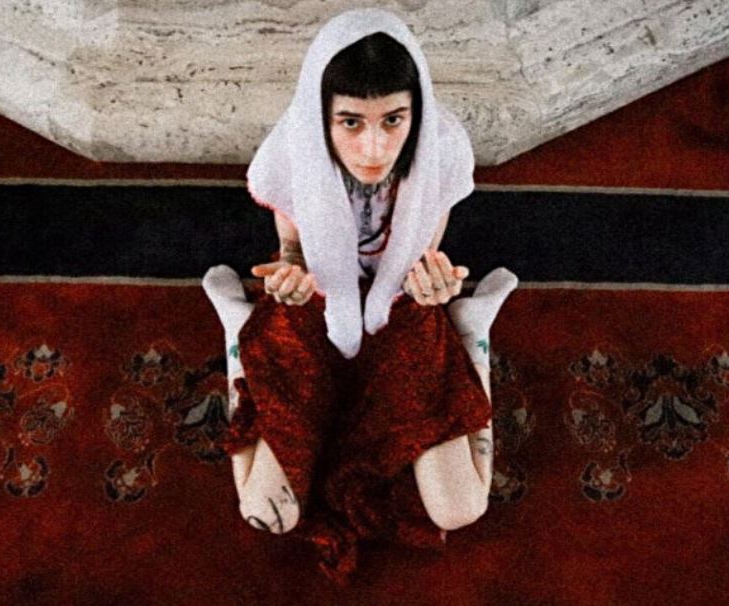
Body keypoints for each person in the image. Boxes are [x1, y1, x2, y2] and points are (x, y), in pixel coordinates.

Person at [202, 8, 518, 585]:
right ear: (322, 116)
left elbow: (422, 255)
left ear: (415, 112)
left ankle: (471, 327)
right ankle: (236, 332)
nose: (375, 146)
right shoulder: (294, 147)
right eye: (350, 122)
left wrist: (432, 286)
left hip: (399, 307)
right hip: (317, 305)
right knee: (265, 513)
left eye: (393, 120)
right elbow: (292, 252)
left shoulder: (441, 148)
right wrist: (291, 277)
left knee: (461, 508)